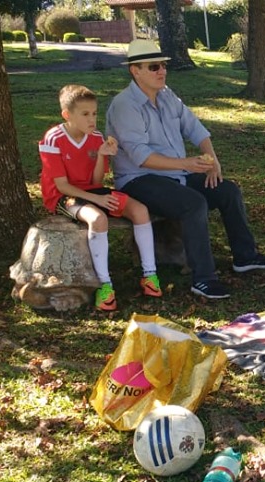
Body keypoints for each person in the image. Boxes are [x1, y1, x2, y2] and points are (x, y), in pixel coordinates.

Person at [105, 40, 265, 300]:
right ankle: (204, 279)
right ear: (135, 70)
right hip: (138, 180)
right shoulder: (124, 106)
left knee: (227, 190)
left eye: (163, 65)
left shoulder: (167, 96)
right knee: (193, 203)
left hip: (175, 174)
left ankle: (245, 257)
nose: (161, 71)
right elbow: (141, 157)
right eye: (153, 67)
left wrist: (213, 161)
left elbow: (195, 128)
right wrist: (186, 164)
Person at [39, 84, 161, 312]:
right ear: (67, 115)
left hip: (92, 192)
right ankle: (105, 285)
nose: (92, 119)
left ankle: (150, 275)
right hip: (63, 197)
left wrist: (101, 155)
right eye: (85, 114)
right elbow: (62, 186)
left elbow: (96, 183)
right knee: (97, 219)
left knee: (140, 210)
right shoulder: (53, 138)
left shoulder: (96, 137)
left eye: (94, 113)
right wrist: (96, 200)